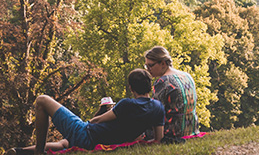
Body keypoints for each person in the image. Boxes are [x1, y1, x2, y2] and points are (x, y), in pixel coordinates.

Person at [6, 69, 164, 155]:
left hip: (87, 135)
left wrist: (103, 110)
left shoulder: (126, 104)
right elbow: (158, 139)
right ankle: (19, 152)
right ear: (149, 86)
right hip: (98, 140)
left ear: (131, 87)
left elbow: (96, 122)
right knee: (64, 143)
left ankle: (39, 152)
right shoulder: (158, 108)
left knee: (42, 100)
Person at [144, 46, 199, 138]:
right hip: (191, 130)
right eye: (146, 66)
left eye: (150, 65)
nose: (148, 69)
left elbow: (155, 112)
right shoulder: (186, 76)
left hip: (172, 133)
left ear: (163, 63)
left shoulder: (163, 81)